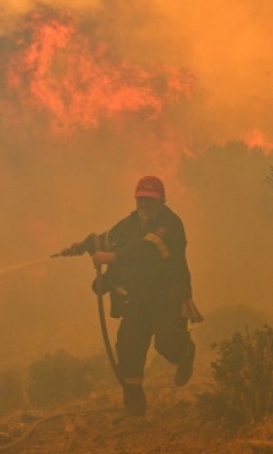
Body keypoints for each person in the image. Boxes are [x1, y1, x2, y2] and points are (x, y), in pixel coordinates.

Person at [62, 175, 200, 422]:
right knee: (128, 347)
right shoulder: (132, 222)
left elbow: (146, 250)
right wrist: (83, 245)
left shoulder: (169, 224)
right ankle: (134, 405)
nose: (145, 205)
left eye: (150, 200)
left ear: (162, 200)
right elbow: (108, 239)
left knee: (166, 344)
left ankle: (185, 353)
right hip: (139, 298)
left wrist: (112, 257)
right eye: (141, 200)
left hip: (167, 296)